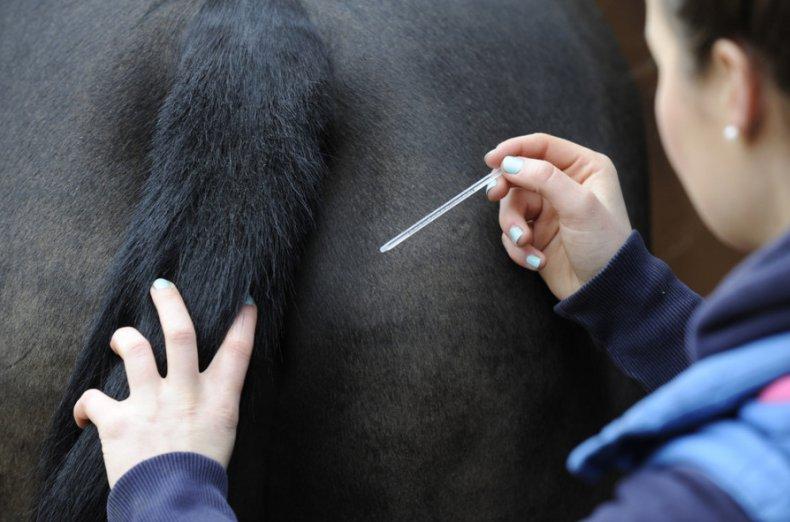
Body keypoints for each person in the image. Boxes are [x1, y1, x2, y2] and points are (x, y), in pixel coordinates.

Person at [74, 0, 790, 520]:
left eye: (661, 64)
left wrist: (169, 493)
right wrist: (635, 301)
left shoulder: (701, 501)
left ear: (735, 87)